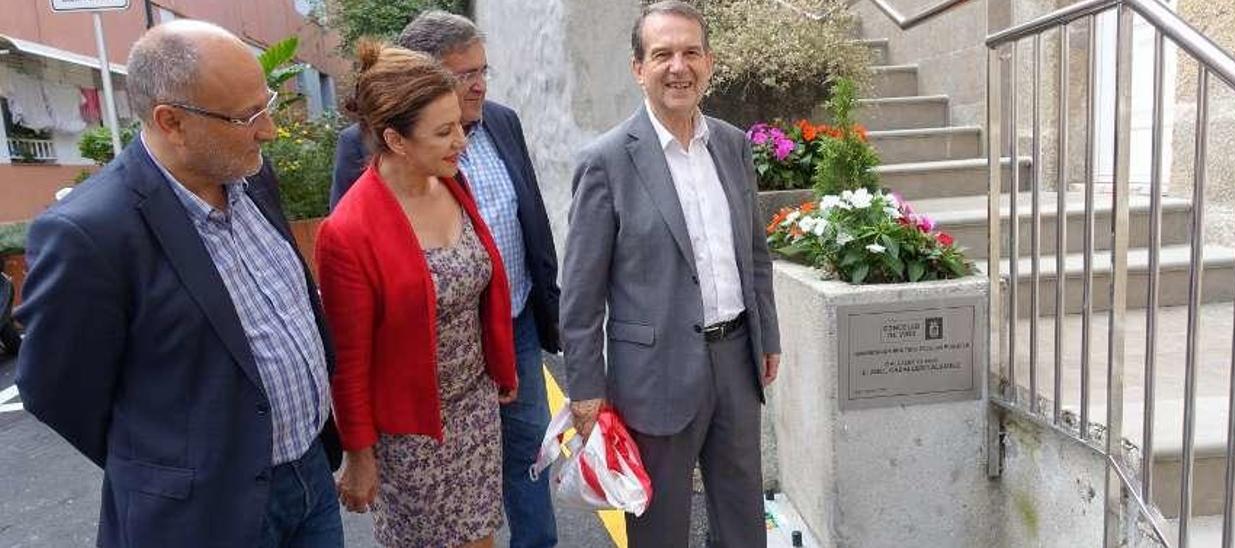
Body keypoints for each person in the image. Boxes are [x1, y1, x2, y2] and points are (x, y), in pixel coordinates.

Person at [14, 20, 343, 547]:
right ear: (172, 121)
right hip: (206, 516)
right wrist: (170, 470)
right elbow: (57, 392)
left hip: (309, 475)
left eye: (267, 104)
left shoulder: (250, 172)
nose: (269, 130)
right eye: (246, 116)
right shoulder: (90, 233)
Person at [329, 12, 560, 547]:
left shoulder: (450, 181)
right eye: (445, 130)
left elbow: (510, 251)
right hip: (414, 427)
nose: (463, 138)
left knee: (497, 513)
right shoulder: (353, 224)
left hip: (477, 399)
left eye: (460, 123)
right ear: (396, 140)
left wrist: (504, 356)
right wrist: (359, 452)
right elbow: (351, 353)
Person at [559, 1, 782, 546]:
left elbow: (754, 252)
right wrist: (586, 390)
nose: (678, 66)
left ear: (709, 62)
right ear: (639, 68)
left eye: (690, 52)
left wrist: (767, 336)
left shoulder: (732, 145)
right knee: (659, 527)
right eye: (662, 54)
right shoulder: (606, 161)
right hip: (652, 375)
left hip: (736, 361)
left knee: (742, 518)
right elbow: (581, 296)